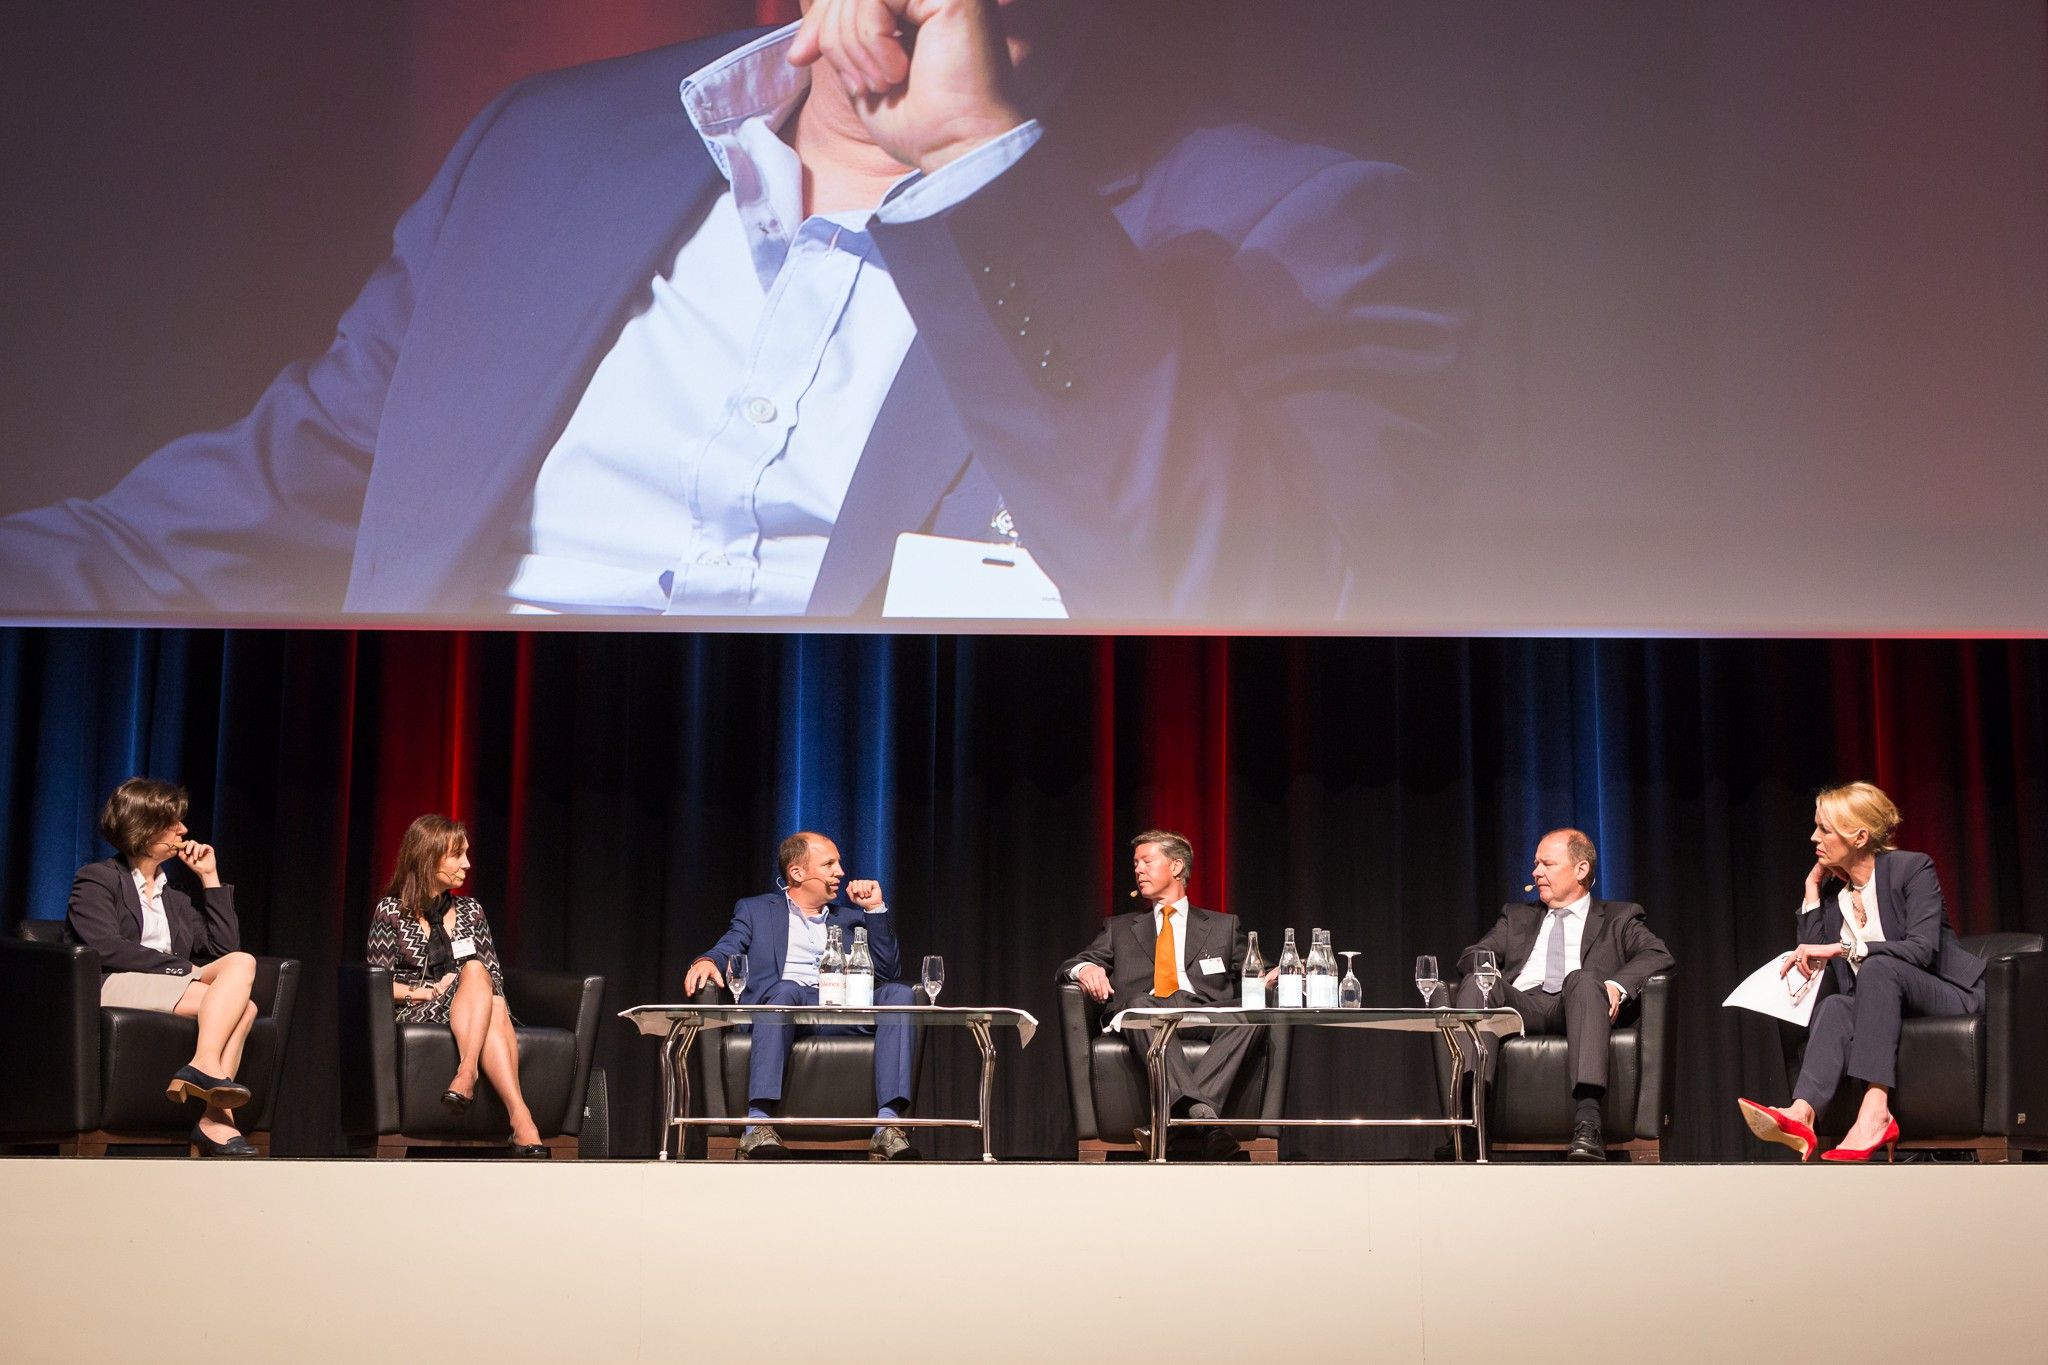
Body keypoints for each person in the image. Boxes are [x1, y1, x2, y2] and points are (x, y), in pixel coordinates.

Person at [0, 0, 1468, 623]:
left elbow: (1263, 625)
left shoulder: (1291, 227)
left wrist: (976, 171)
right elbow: (224, 528)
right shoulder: (546, 151)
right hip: (454, 876)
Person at [1738, 782, 1986, 1162]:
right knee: (1837, 1005)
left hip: (1947, 993)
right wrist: (1812, 889)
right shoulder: (1840, 895)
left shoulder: (1912, 868)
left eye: (1824, 829)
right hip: (1884, 1002)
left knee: (1879, 967)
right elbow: (1813, 961)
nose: (1813, 837)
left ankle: (1875, 1111)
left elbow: (1921, 949)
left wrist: (1846, 948)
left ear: (1859, 836)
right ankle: (1802, 1113)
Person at [684, 831, 919, 1160]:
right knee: (786, 989)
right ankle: (759, 1124)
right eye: (829, 864)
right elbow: (731, 944)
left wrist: (875, 909)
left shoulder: (850, 919)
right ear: (796, 873)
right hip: (785, 1010)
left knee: (899, 993)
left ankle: (888, 1127)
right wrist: (708, 960)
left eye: (838, 864)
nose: (840, 872)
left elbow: (886, 973)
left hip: (844, 1010)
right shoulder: (756, 910)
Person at [1450, 828, 1674, 1161]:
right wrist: (1489, 973)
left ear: (1581, 870)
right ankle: (1469, 1126)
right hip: (1519, 1007)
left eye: (1547, 864)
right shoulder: (1517, 916)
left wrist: (1615, 985)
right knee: (1476, 983)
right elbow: (1472, 956)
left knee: (1584, 980)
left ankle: (1588, 1123)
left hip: (1578, 1005)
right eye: (1535, 864)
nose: (1535, 872)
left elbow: (1657, 954)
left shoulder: (1619, 917)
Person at [66, 777, 262, 1157]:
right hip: (114, 984)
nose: (183, 830)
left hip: (169, 983)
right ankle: (216, 1119)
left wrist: (209, 877)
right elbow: (103, 947)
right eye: (173, 822)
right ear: (143, 826)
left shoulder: (173, 896)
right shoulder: (98, 879)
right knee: (245, 1003)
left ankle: (204, 1068)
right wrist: (180, 968)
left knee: (243, 968)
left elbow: (224, 947)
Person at [1058, 829, 1261, 1160]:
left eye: (1147, 861)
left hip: (1204, 1013)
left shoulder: (1223, 927)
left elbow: (1259, 970)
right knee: (1140, 1007)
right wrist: (1084, 969)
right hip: (1147, 1015)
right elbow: (1071, 963)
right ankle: (1204, 1120)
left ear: (1177, 866)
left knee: (1252, 1015)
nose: (1137, 870)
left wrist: (1275, 975)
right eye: (1135, 864)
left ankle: (1181, 1117)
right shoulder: (1120, 928)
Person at [366, 814, 549, 1157]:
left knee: (482, 980)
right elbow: (377, 983)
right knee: (486, 995)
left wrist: (462, 982)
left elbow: (493, 977)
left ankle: (471, 1076)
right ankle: (520, 1119)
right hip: (419, 1010)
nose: (467, 864)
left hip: (473, 1004)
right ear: (429, 855)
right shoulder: (391, 911)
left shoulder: (471, 911)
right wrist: (424, 991)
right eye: (457, 855)